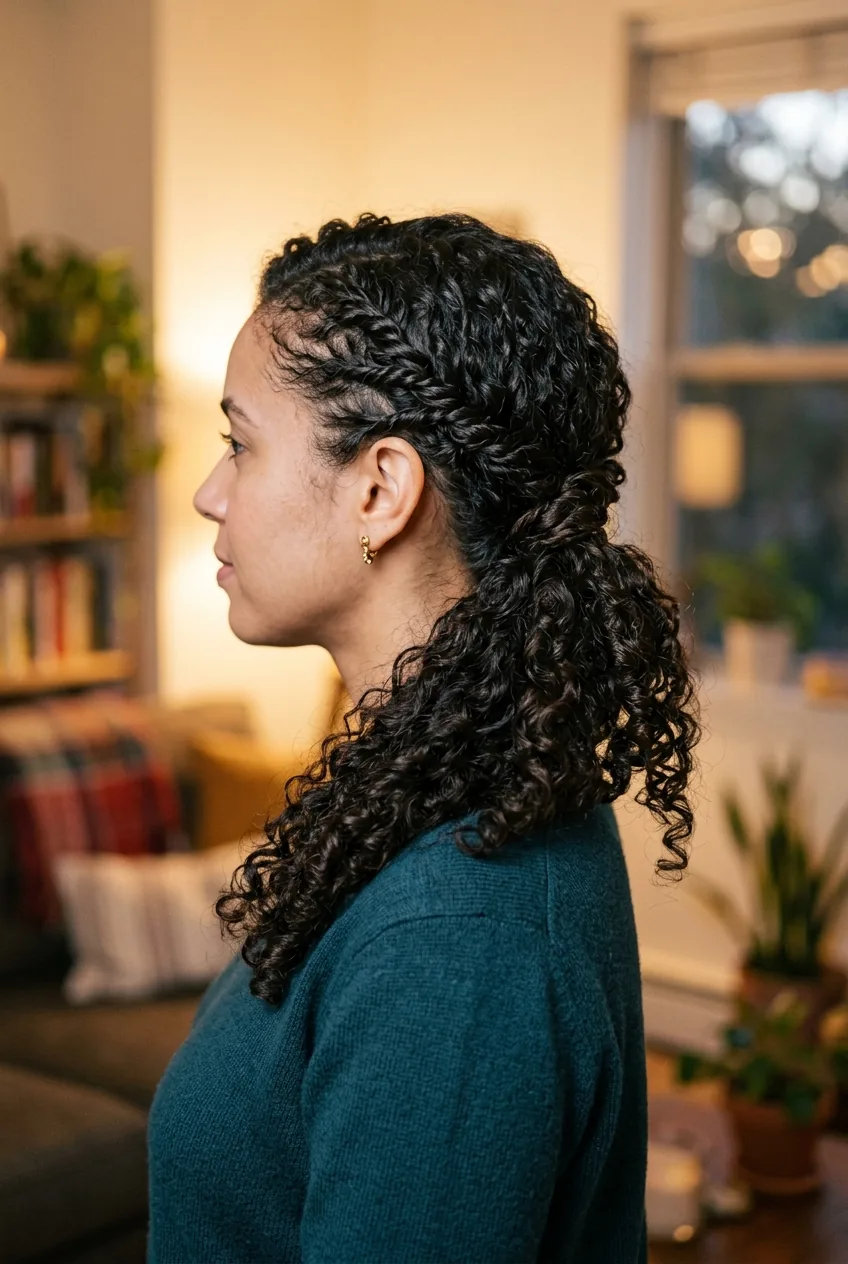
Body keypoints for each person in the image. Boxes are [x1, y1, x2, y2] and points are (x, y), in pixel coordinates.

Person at [147, 211, 702, 1263]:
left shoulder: (458, 937)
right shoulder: (424, 786)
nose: (208, 492)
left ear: (379, 488)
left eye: (239, 443)